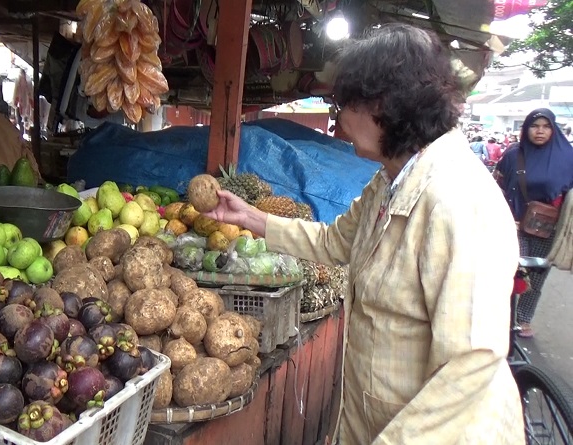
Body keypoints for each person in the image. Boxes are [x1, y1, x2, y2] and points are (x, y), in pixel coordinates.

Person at [204, 24, 522, 444]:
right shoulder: (389, 181)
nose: (338, 123)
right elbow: (334, 242)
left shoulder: (459, 200)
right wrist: (251, 218)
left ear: (385, 106)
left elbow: (470, 365)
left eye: (344, 107)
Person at [494, 109, 573, 337]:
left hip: (547, 230)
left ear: (554, 129)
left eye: (545, 126)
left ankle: (524, 319)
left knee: (536, 278)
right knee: (510, 273)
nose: (539, 131)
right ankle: (502, 316)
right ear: (526, 128)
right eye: (534, 125)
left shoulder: (568, 158)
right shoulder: (512, 155)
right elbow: (497, 185)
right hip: (512, 225)